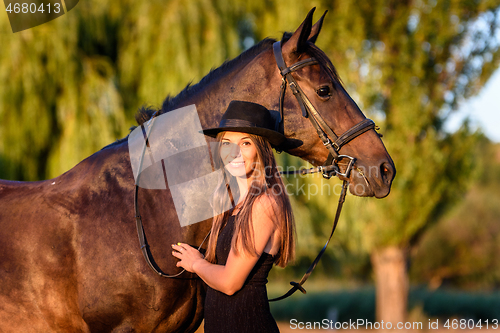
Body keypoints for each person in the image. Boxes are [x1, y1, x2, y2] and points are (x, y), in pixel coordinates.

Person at [172, 100, 296, 333]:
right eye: (227, 143)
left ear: (261, 149)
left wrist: (196, 264)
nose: (235, 152)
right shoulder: (232, 204)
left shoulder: (265, 203)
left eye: (245, 143)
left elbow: (230, 282)